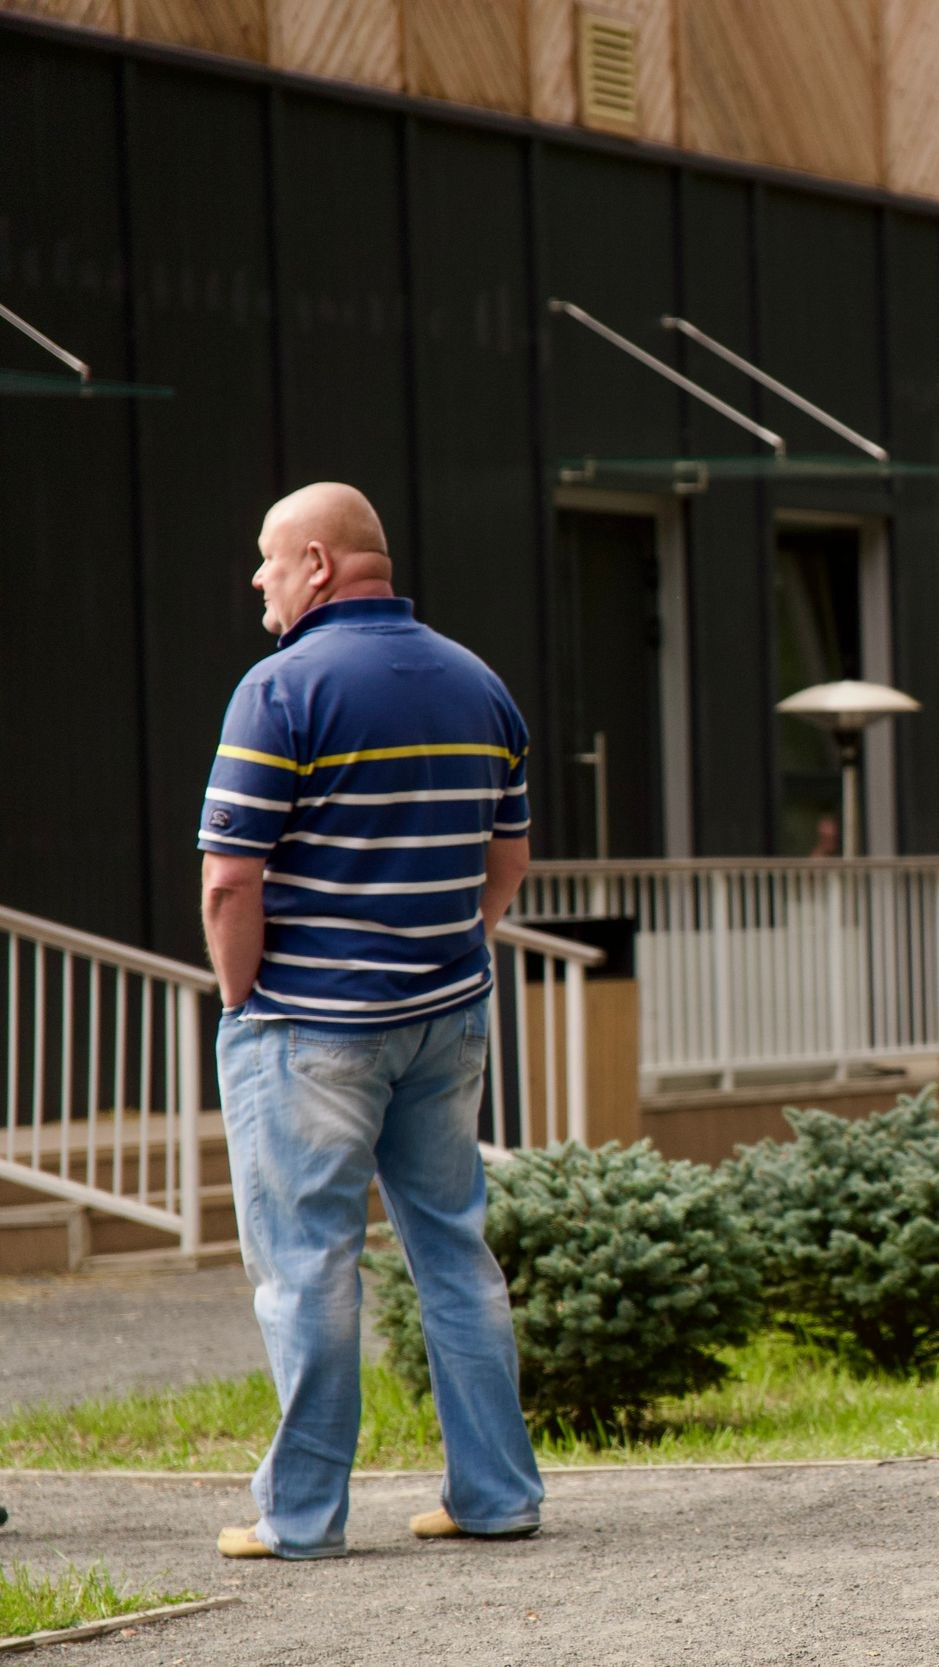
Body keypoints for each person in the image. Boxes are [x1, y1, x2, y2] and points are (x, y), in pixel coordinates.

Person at [197, 482, 544, 1561]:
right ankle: (495, 1494)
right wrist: (456, 940)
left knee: (308, 1264)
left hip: (309, 1026)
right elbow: (509, 857)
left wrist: (240, 997)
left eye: (266, 557)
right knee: (452, 1250)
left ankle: (301, 1517)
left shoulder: (281, 687)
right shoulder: (477, 680)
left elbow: (228, 880)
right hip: (446, 1013)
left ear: (315, 561)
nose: (256, 577)